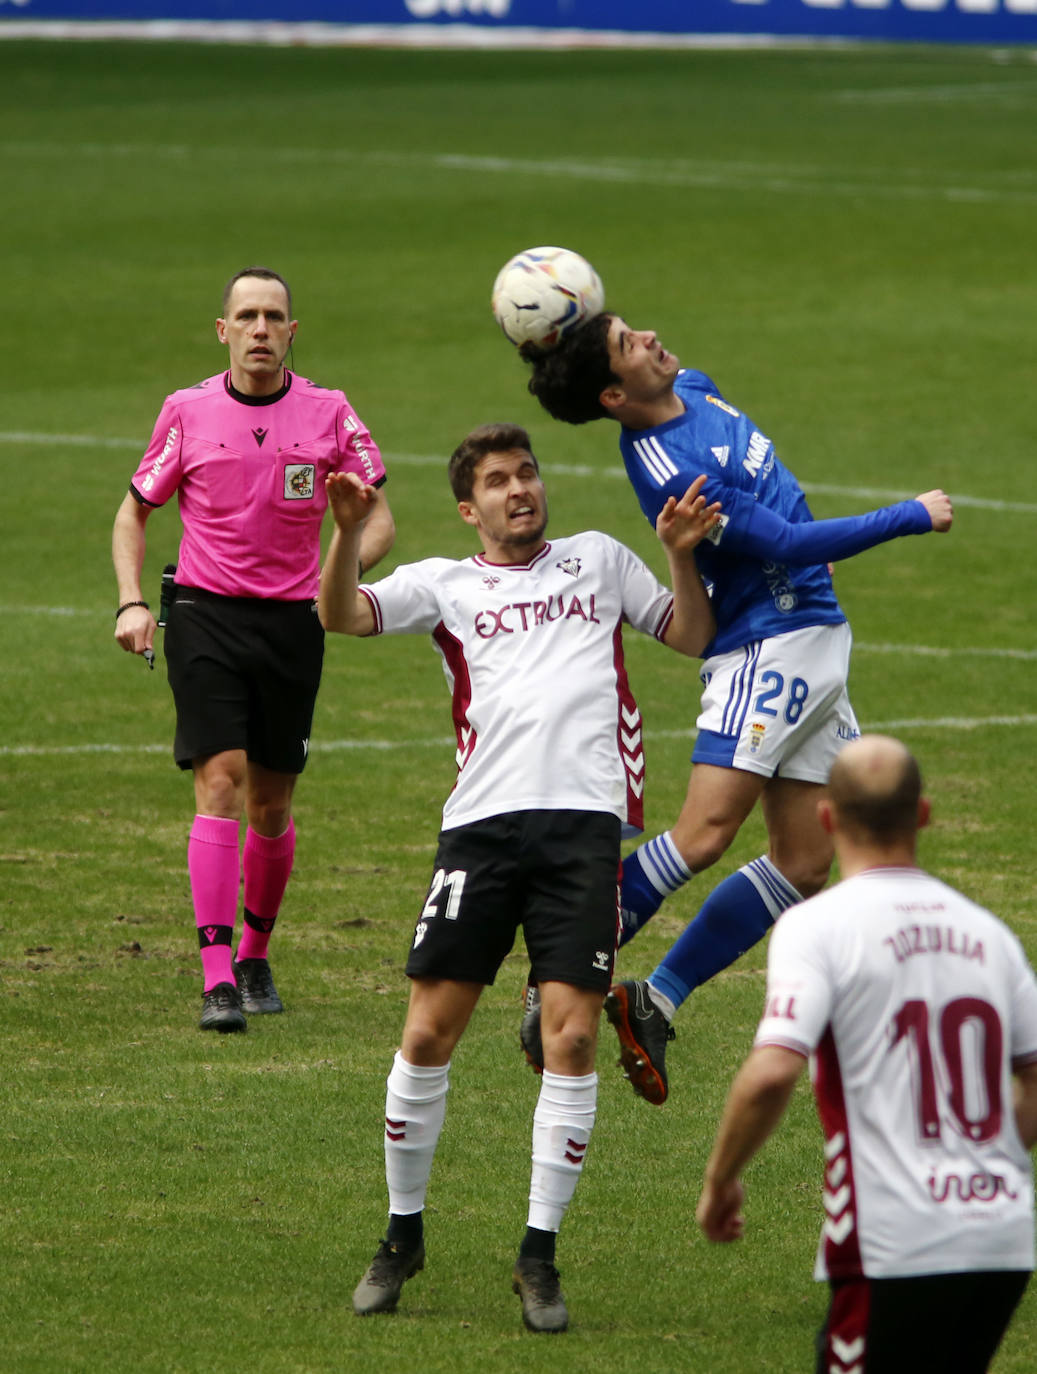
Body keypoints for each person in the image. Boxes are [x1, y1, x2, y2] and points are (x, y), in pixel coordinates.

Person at [317, 421, 719, 1332]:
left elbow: (689, 635)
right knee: (427, 1033)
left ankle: (538, 1256)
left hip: (582, 836)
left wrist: (678, 557)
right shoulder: (443, 583)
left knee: (571, 1042)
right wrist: (344, 535)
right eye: (497, 481)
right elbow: (339, 616)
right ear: (470, 508)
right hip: (480, 835)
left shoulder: (599, 560)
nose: (518, 489)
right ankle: (401, 1235)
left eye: (527, 473)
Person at [523, 309, 953, 1104]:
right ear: (613, 393)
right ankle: (558, 968)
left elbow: (637, 372)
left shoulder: (693, 386)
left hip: (816, 644)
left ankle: (652, 999)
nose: (649, 334)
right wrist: (907, 515)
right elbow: (785, 544)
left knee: (801, 863)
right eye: (626, 342)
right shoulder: (670, 472)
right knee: (704, 833)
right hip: (767, 647)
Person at [696, 734, 1037, 1373]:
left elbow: (772, 1072)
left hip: (894, 1241)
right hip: (1002, 1237)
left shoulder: (819, 927)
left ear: (826, 816)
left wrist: (720, 1182)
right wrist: (990, 1161)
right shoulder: (989, 934)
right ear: (925, 815)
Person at [112, 266, 394, 1033]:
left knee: (272, 802)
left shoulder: (330, 414)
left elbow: (378, 521)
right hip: (204, 614)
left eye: (274, 316)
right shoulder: (188, 411)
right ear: (224, 330)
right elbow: (133, 513)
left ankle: (255, 952)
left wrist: (341, 571)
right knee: (222, 782)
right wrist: (133, 601)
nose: (261, 329)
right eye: (248, 316)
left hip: (294, 620)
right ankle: (214, 980)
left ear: (291, 332)